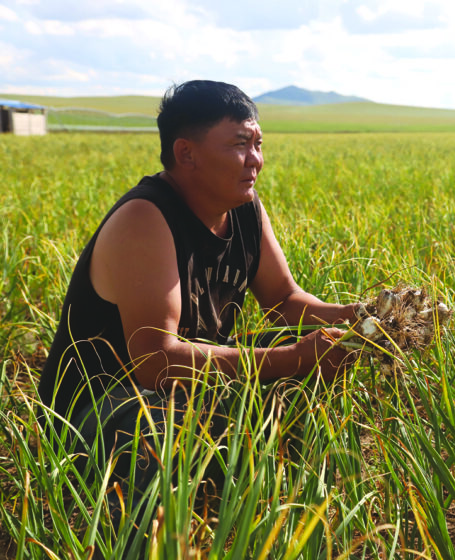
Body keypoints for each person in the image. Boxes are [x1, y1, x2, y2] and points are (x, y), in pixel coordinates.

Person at [37, 80, 358, 545]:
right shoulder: (145, 219)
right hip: (102, 412)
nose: (256, 160)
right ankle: (138, 535)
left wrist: (359, 317)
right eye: (240, 145)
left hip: (180, 390)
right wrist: (294, 358)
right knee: (170, 417)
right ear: (186, 154)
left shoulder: (244, 210)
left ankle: (271, 506)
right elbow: (156, 361)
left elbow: (285, 301)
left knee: (296, 370)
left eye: (259, 144)